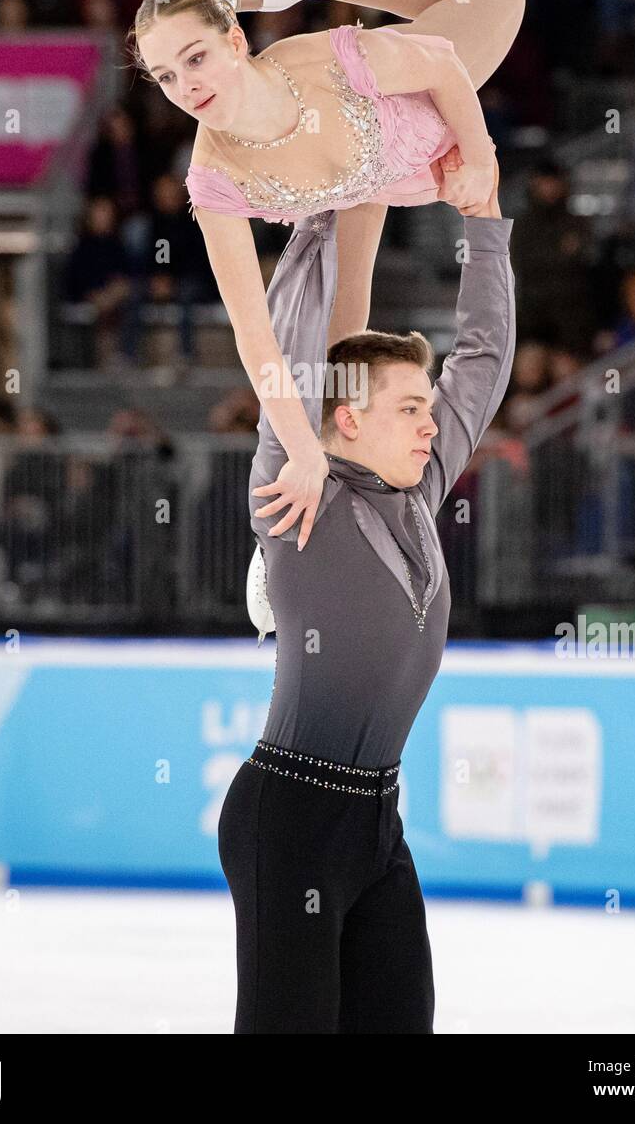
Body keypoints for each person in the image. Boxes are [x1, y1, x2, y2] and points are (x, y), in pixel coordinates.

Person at [215, 157, 515, 1033]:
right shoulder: (297, 497)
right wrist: (317, 227)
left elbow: (486, 359)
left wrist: (484, 226)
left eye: (429, 410)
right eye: (411, 408)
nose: (433, 423)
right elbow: (293, 354)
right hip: (290, 821)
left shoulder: (420, 491)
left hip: (378, 824)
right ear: (349, 417)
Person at [127, 0, 525, 546]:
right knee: (336, 363)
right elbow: (256, 340)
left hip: (417, 127)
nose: (185, 87)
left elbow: (445, 66)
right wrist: (303, 454)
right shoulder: (212, 177)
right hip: (365, 183)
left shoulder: (318, 64)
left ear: (234, 40)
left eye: (195, 58)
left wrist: (480, 163)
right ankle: (283, 535)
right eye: (166, 76)